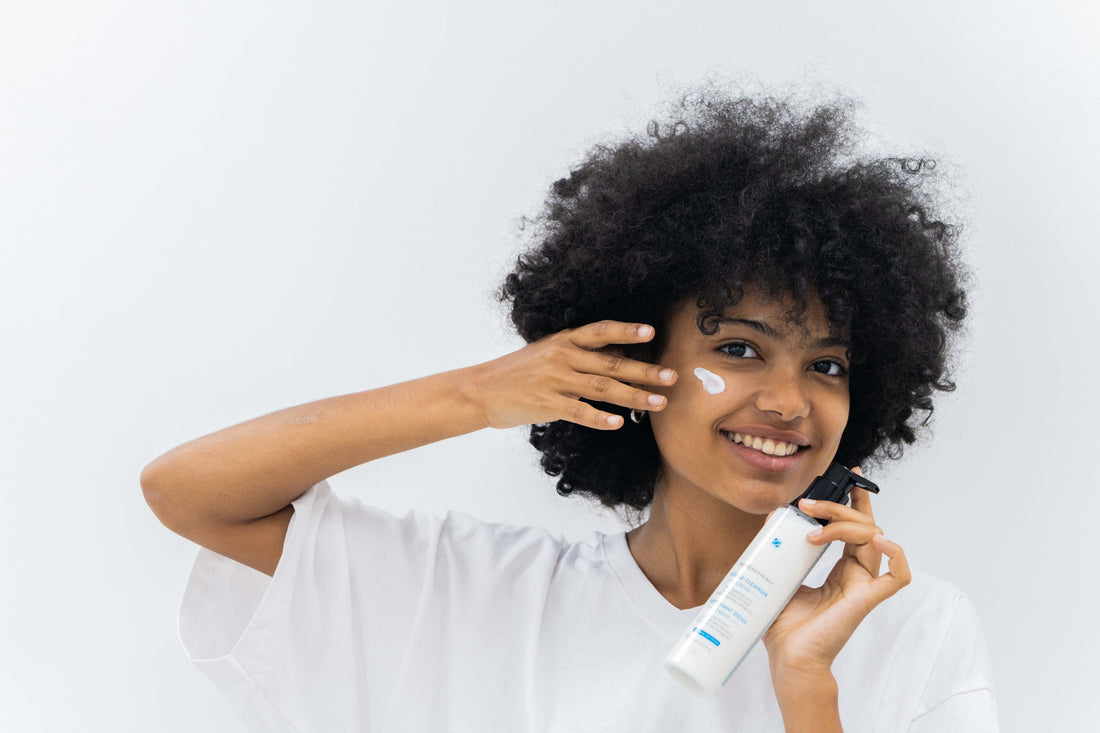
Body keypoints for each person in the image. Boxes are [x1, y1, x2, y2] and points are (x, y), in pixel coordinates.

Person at [142, 88, 999, 732]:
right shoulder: (475, 592)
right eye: (738, 348)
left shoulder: (913, 627)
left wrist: (807, 683)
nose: (787, 401)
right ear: (632, 365)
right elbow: (190, 491)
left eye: (826, 364)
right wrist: (479, 393)